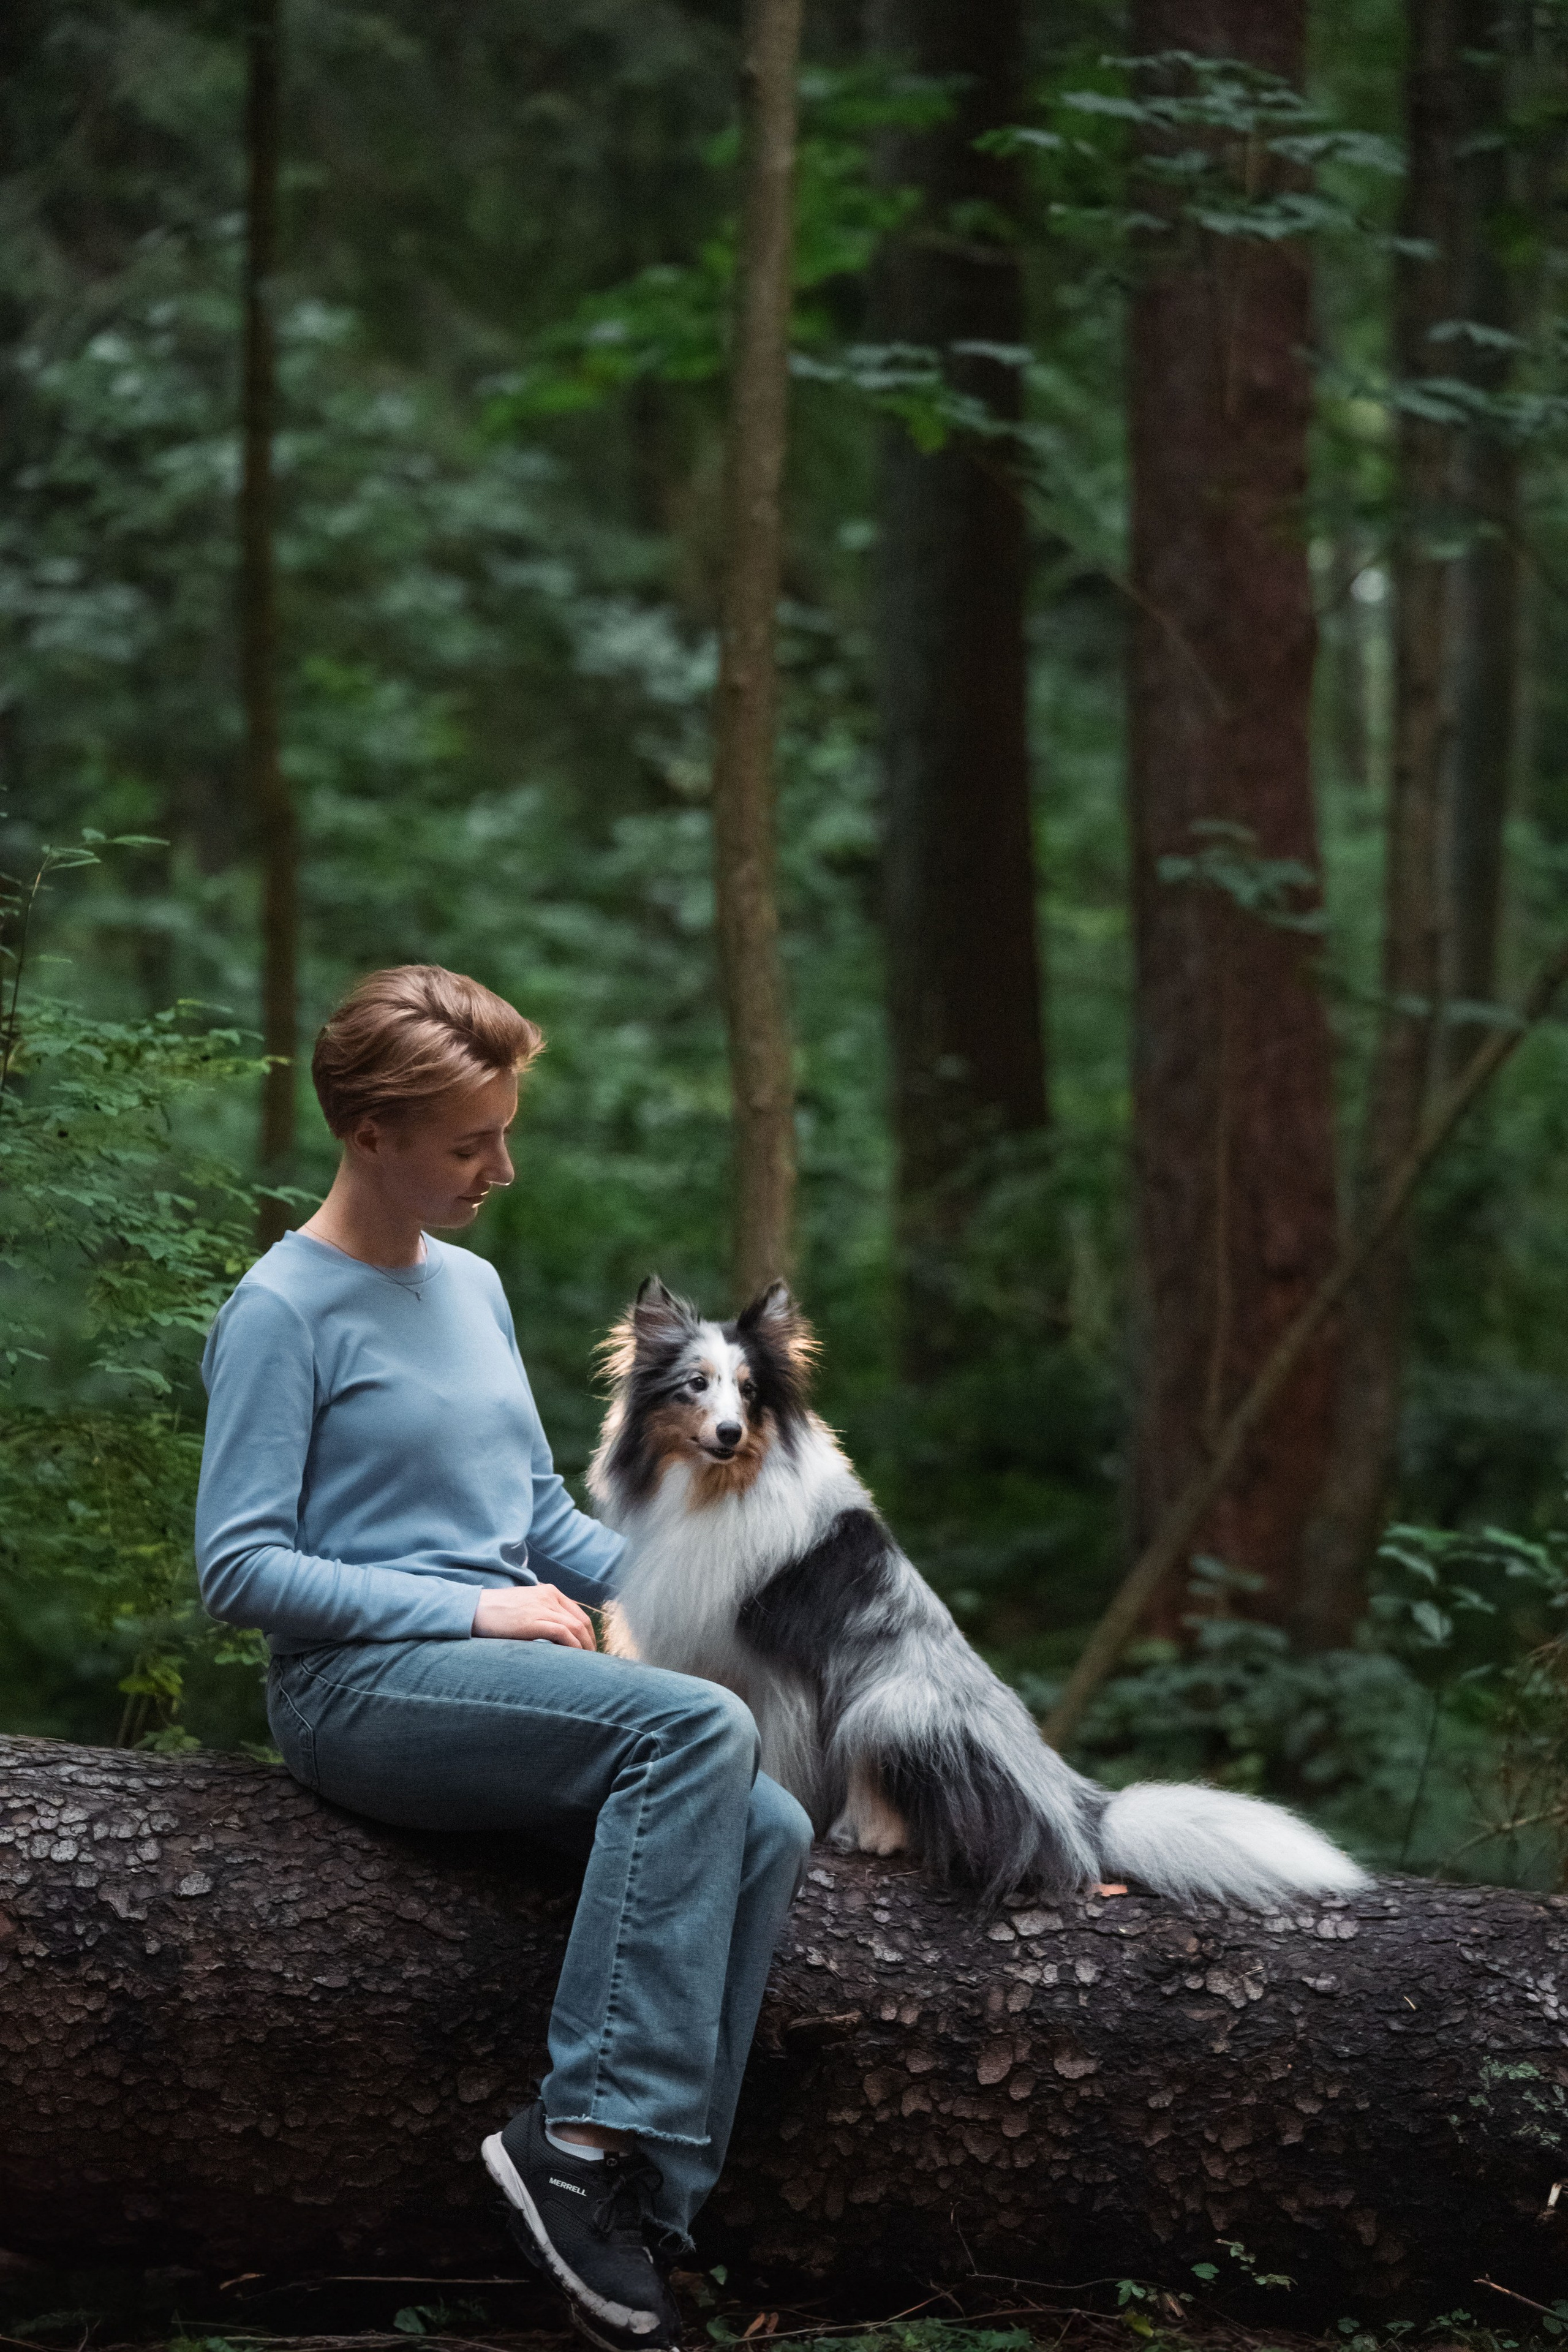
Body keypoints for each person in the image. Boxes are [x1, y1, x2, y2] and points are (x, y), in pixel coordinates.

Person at [195, 965, 813, 2352]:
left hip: (495, 1678)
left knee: (766, 1821)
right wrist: (467, 1614)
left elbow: (529, 1515)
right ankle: (576, 2143)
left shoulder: (468, 1287)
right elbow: (236, 1569)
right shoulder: (282, 1311)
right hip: (356, 1690)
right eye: (469, 1143)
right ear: (371, 1135)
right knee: (691, 1736)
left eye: (504, 1131)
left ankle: (653, 2198)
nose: (502, 1167)